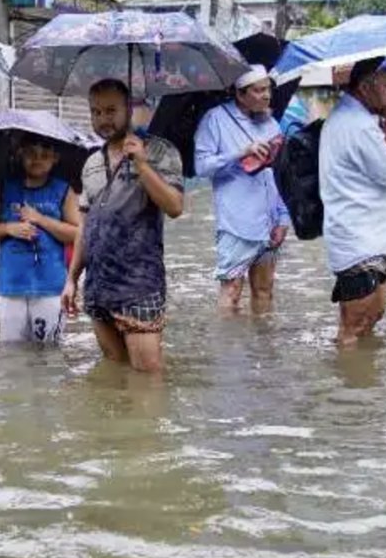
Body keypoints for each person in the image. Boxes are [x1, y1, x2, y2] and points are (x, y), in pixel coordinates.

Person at [61, 79, 185, 374]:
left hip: (139, 285)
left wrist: (142, 165)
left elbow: (175, 207)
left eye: (111, 110)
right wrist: (72, 279)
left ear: (129, 108)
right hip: (98, 286)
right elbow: (85, 226)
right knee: (114, 374)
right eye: (96, 112)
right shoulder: (90, 162)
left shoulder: (158, 151)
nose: (104, 119)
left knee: (147, 378)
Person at [320, 58, 386, 347]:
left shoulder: (354, 119)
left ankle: (361, 386)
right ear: (367, 86)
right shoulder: (358, 126)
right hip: (358, 240)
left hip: (366, 239)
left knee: (371, 317)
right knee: (354, 328)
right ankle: (350, 386)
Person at [194, 65, 288, 314]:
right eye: (258, 91)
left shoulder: (272, 124)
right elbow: (202, 166)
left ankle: (262, 350)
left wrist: (283, 218)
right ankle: (230, 351)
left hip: (270, 220)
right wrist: (240, 153)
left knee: (265, 290)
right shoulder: (215, 119)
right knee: (232, 290)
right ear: (240, 93)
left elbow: (280, 174)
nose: (267, 96)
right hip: (237, 222)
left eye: (268, 89)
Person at [0, 138, 82, 343]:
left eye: (44, 155)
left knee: (50, 355)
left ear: (55, 158)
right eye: (31, 153)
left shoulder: (64, 190)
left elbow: (78, 233)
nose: (37, 160)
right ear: (20, 154)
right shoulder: (4, 186)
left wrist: (40, 219)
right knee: (11, 356)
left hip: (51, 285)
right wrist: (9, 228)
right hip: (10, 285)